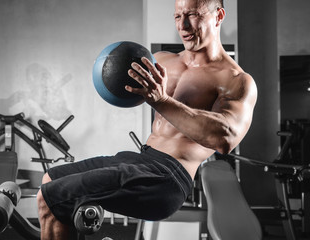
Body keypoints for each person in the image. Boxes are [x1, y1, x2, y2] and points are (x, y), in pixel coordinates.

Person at [37, 0, 257, 239]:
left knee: (53, 198)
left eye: (192, 14)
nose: (182, 25)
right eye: (177, 16)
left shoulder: (236, 80)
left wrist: (162, 101)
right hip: (142, 158)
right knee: (51, 179)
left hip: (169, 177)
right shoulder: (161, 60)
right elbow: (120, 77)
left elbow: (225, 138)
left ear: (218, 15)